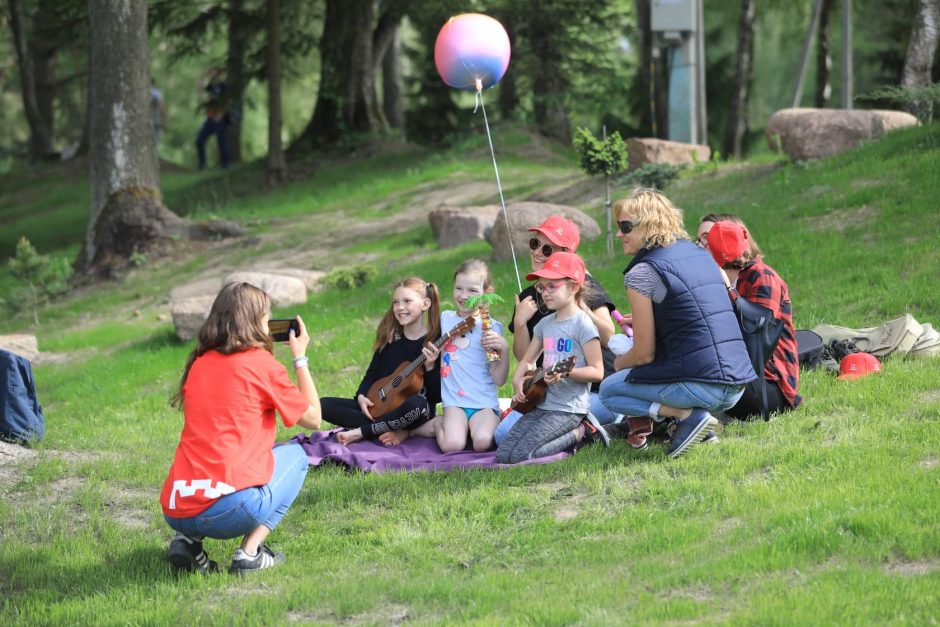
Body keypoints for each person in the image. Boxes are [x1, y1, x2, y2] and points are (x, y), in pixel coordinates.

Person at [160, 282, 322, 575]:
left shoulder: (198, 362)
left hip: (176, 506)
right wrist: (300, 358)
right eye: (266, 317)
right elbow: (314, 419)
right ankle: (250, 553)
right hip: (228, 511)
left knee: (248, 453)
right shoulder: (262, 364)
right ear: (255, 321)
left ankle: (187, 541)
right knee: (297, 455)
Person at [598, 189, 756, 458]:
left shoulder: (642, 273)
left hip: (705, 385)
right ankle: (702, 428)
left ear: (648, 225)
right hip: (738, 383)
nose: (619, 234)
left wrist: (617, 364)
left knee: (609, 390)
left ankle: (688, 416)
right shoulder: (701, 254)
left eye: (625, 226)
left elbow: (644, 354)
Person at [497, 215, 618, 446]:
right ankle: (583, 430)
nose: (537, 252)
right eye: (535, 244)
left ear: (566, 253)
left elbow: (609, 336)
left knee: (529, 436)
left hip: (594, 389)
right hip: (550, 391)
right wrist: (521, 322)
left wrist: (586, 311)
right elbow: (524, 358)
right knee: (502, 435)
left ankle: (589, 427)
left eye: (547, 248)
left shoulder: (581, 285)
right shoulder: (529, 296)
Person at [699, 217, 802, 419]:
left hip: (767, 386)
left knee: (693, 381)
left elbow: (756, 341)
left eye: (706, 239)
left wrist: (727, 289)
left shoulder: (762, 276)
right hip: (735, 377)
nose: (700, 246)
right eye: (700, 240)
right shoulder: (714, 282)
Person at [321, 277, 442, 447]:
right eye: (395, 302)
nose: (400, 308)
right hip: (381, 407)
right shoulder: (390, 338)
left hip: (413, 412)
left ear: (426, 304)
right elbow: (372, 373)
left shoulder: (434, 342)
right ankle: (385, 428)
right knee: (323, 405)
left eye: (407, 301)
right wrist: (362, 396)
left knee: (417, 404)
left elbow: (435, 397)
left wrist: (430, 367)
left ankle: (363, 432)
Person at [425, 259, 510, 453]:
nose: (464, 296)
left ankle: (486, 421)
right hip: (454, 401)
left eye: (472, 290)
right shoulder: (444, 320)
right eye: (458, 288)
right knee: (452, 446)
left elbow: (499, 379)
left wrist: (503, 350)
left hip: (483, 402)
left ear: (487, 293)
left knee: (482, 442)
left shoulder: (490, 328)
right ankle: (439, 424)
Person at [195, 68, 230, 170]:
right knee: (199, 140)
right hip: (210, 118)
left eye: (214, 72)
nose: (212, 74)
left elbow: (228, 102)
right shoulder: (211, 86)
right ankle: (202, 165)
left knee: (222, 143)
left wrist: (220, 115)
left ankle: (225, 166)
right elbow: (200, 90)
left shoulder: (224, 87)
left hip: (220, 119)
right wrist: (202, 76)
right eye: (211, 73)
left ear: (219, 74)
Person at [151, 79, 167, 146]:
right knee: (156, 141)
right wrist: (163, 120)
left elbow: (161, 106)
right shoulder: (157, 93)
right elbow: (162, 107)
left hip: (155, 119)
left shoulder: (155, 93)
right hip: (156, 120)